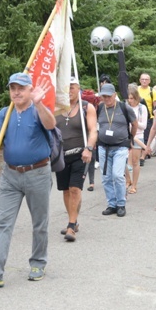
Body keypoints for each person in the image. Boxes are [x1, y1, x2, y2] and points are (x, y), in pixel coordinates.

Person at [0, 73, 54, 288]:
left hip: (37, 173)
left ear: (30, 90)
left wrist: (39, 105)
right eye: (13, 88)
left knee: (39, 222)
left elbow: (50, 124)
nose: (16, 92)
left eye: (21, 88)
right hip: (10, 176)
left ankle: (38, 262)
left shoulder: (38, 110)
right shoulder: (5, 112)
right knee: (2, 223)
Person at [55, 77, 97, 242]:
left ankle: (71, 226)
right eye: (66, 87)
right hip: (61, 156)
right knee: (65, 190)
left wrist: (89, 148)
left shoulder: (87, 107)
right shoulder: (56, 108)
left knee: (75, 189)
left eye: (72, 87)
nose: (69, 91)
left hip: (80, 154)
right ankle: (73, 220)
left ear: (78, 88)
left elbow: (93, 130)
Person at [96, 83, 137, 217]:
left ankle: (121, 203)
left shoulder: (124, 108)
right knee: (106, 177)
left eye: (109, 96)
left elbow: (134, 124)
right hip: (103, 147)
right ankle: (111, 204)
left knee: (118, 175)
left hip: (120, 147)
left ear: (114, 95)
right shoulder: (100, 108)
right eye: (104, 96)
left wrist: (130, 138)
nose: (106, 99)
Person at [125, 85, 148, 194]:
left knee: (135, 161)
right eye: (129, 98)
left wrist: (134, 123)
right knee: (123, 160)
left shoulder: (141, 108)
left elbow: (144, 125)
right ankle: (128, 180)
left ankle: (134, 185)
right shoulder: (125, 107)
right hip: (125, 135)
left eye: (132, 98)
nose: (130, 101)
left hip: (138, 136)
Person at [138, 73, 156, 163]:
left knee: (145, 136)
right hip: (137, 116)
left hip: (149, 117)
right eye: (142, 79)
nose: (144, 81)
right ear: (140, 80)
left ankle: (143, 156)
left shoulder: (152, 91)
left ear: (149, 81)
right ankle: (140, 153)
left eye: (146, 79)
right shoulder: (136, 90)